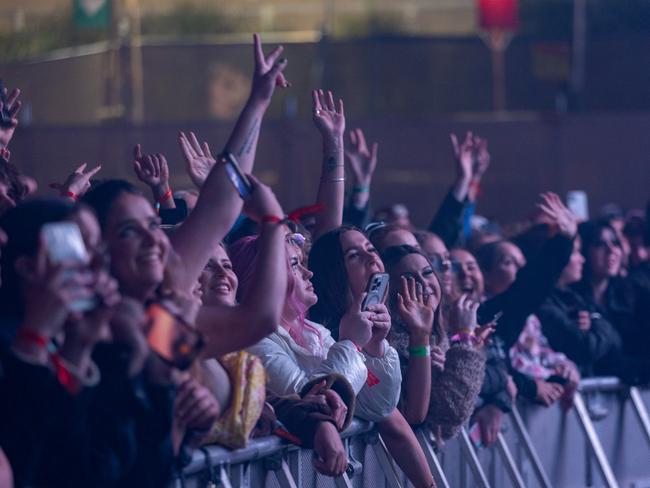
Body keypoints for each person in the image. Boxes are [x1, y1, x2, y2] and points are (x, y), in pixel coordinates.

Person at [309, 226, 436, 488]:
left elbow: (399, 412)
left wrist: (420, 335)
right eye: (354, 255)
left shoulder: (386, 321)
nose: (371, 258)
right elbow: (401, 416)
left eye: (371, 249)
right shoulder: (327, 336)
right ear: (334, 273)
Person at [382, 244, 486, 443]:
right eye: (410, 279)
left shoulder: (438, 335)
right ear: (393, 291)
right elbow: (450, 409)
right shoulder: (391, 342)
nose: (424, 282)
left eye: (428, 272)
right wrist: (464, 338)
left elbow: (447, 426)